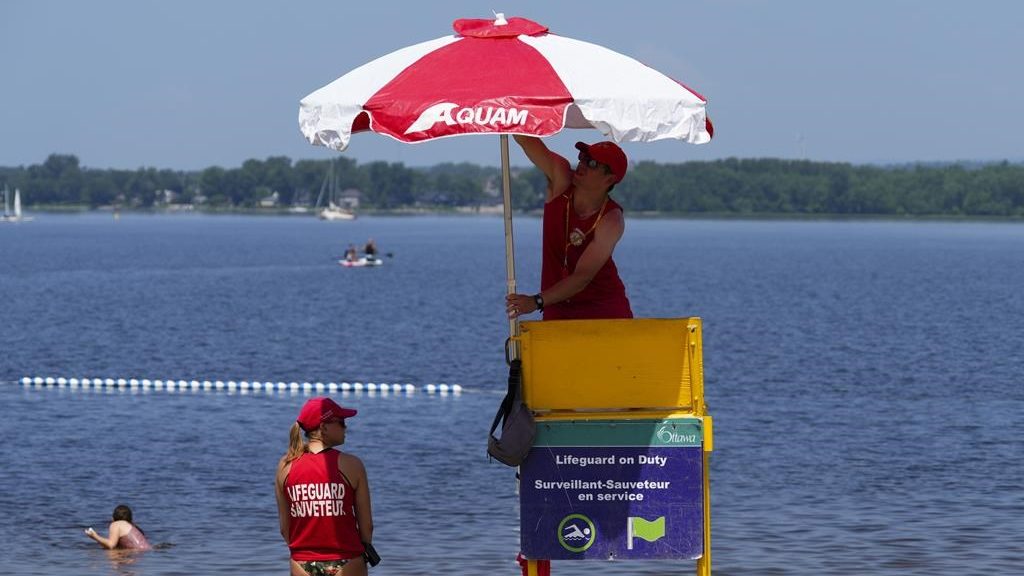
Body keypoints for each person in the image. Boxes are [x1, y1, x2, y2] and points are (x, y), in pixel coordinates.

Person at [506, 136, 633, 320]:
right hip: (556, 307)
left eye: (592, 163)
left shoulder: (612, 219)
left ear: (610, 179)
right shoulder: (561, 179)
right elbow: (527, 141)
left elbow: (582, 277)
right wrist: (514, 112)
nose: (582, 164)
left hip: (605, 312)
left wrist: (535, 302)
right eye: (582, 157)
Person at [275, 397, 373, 576]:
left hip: (302, 562)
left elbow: (284, 528)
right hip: (347, 558)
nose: (346, 427)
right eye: (341, 422)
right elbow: (366, 526)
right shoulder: (352, 465)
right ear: (324, 427)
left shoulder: (285, 466)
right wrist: (365, 555)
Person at [84, 504, 152, 550]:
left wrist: (95, 536)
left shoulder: (116, 524)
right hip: (146, 552)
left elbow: (111, 545)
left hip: (138, 552)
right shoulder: (133, 526)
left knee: (112, 554)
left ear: (113, 517)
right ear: (130, 518)